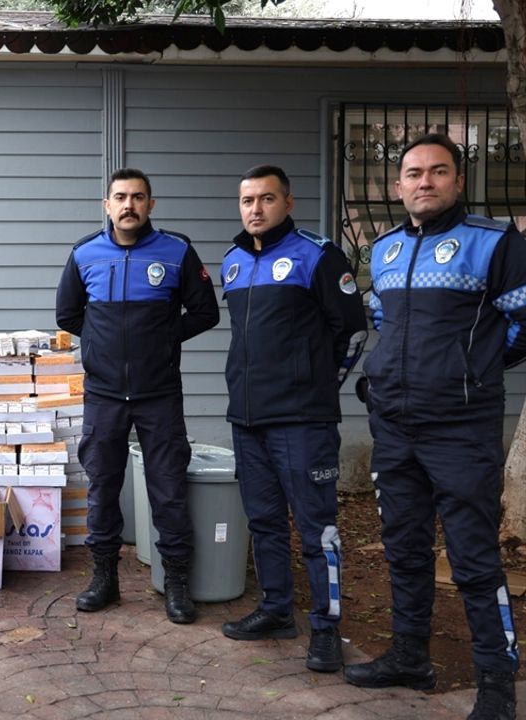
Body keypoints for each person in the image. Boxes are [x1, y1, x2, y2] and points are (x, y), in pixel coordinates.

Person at [346, 134, 522, 720]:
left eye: (438, 171)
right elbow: (381, 316)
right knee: (404, 549)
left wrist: (473, 369)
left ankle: (496, 681)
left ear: (458, 181)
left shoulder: (493, 242)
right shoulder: (386, 249)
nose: (425, 181)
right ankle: (409, 656)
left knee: (473, 559)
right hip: (395, 427)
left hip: (461, 429)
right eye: (414, 173)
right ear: (399, 186)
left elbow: (522, 322)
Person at [218, 165, 367, 673]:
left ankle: (326, 628)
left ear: (288, 202)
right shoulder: (233, 261)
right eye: (247, 201)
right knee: (263, 522)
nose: (255, 209)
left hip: (302, 421)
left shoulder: (317, 255)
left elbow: (352, 331)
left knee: (316, 528)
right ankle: (277, 609)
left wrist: (318, 387)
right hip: (247, 419)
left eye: (266, 199)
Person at [55, 167, 219, 624]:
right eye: (121, 197)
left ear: (151, 204)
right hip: (104, 395)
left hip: (158, 393)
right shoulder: (84, 253)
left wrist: (161, 339)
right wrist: (102, 344)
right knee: (103, 488)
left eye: (138, 197)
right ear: (107, 205)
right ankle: (104, 578)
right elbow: (68, 314)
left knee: (168, 490)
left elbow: (205, 312)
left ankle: (177, 583)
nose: (129, 205)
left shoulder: (176, 251)